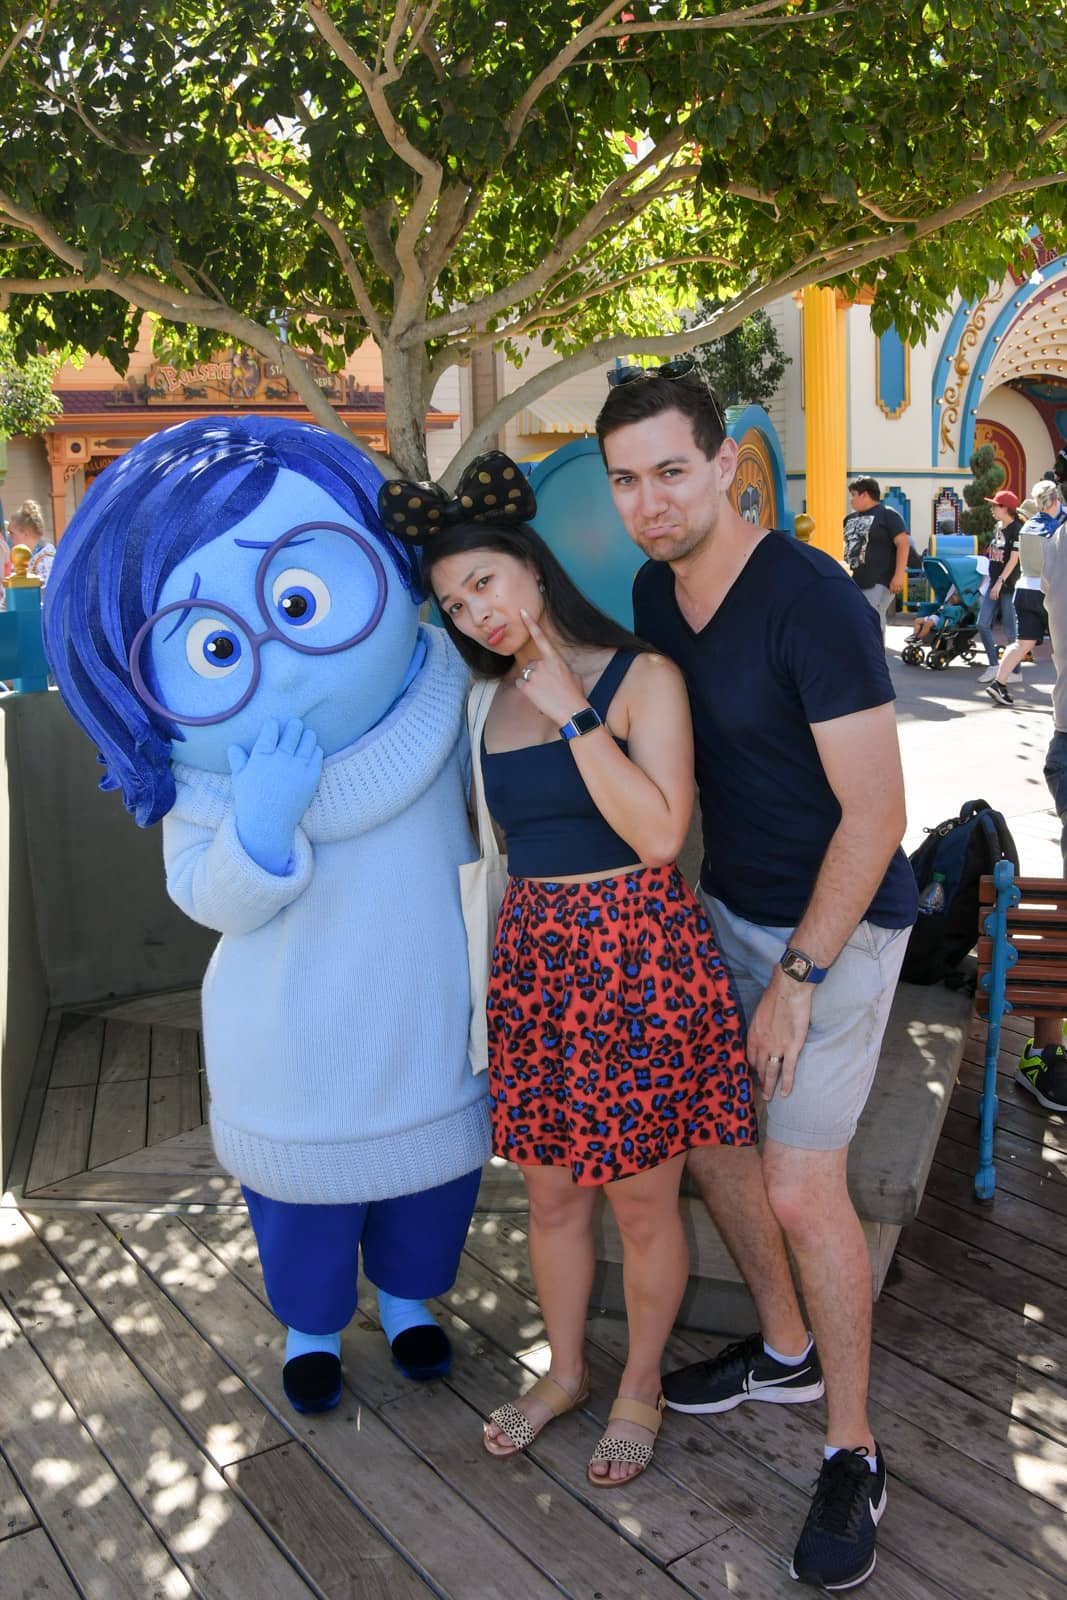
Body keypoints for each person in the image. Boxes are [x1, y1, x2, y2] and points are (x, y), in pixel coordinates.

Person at [43, 415, 491, 1416]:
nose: (279, 662)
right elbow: (208, 897)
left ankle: (414, 1301)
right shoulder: (202, 782)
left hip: (428, 1015)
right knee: (302, 1213)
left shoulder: (448, 692)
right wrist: (259, 825)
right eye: (212, 645)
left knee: (428, 1191)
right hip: (288, 1041)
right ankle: (312, 1324)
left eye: (298, 600)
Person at [595, 362, 916, 1591]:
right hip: (724, 914)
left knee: (794, 1184)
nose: (649, 501)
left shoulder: (811, 602)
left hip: (837, 925)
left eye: (671, 471)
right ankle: (781, 1346)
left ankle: (852, 1447)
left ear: (726, 462)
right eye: (626, 480)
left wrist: (795, 974)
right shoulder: (652, 590)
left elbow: (875, 813)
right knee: (714, 1143)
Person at [409, 471, 755, 1487]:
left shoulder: (640, 677)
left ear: (531, 565)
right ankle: (562, 1372)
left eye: (484, 582)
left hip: (636, 958)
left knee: (643, 1205)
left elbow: (658, 836)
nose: (477, 612)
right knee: (551, 1200)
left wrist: (568, 711)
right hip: (535, 965)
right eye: (458, 604)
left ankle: (637, 1385)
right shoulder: (479, 701)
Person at [985, 479, 1067, 706]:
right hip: (1049, 592)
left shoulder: (1027, 526)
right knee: (1063, 644)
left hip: (1023, 590)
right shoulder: (1057, 529)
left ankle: (999, 684)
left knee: (1023, 643)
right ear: (1056, 500)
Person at [841, 477, 910, 639]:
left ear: (865, 495)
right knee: (856, 620)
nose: (851, 499)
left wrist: (899, 575)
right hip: (854, 579)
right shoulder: (849, 519)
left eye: (854, 495)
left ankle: (876, 659)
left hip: (879, 579)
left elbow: (903, 544)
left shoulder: (887, 515)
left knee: (871, 618)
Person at [977, 489, 1022, 684]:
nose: (992, 508)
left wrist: (1000, 582)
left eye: (995, 505)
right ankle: (994, 665)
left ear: (1005, 508)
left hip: (1008, 586)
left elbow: (1013, 560)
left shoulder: (1018, 529)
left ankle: (1014, 672)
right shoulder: (998, 527)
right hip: (993, 583)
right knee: (982, 623)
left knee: (1011, 631)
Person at [8, 500, 55, 587]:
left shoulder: (45, 560)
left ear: (26, 533)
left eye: (11, 533)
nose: (9, 537)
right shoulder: (26, 557)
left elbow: (47, 596)